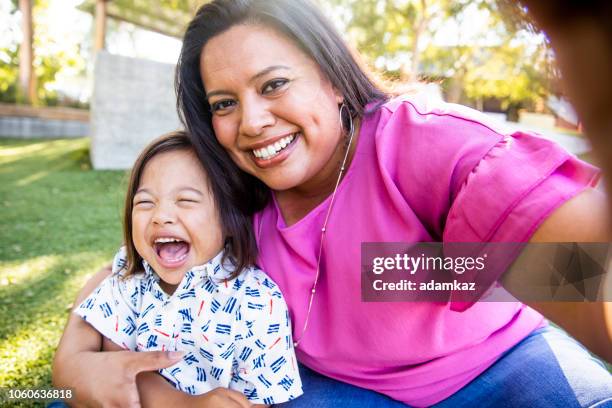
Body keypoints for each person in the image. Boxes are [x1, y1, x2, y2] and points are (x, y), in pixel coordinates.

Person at [53, 0, 612, 407]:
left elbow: (589, 279)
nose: (251, 122)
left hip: (504, 369)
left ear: (334, 79)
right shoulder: (233, 186)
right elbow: (136, 266)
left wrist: (417, 271)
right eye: (225, 103)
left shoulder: (421, 143)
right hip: (336, 390)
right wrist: (76, 363)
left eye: (273, 85)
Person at [57, 131, 302, 407]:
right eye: (145, 202)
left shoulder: (258, 301)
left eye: (185, 200)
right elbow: (117, 367)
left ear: (230, 218)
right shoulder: (128, 277)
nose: (160, 216)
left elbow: (259, 398)